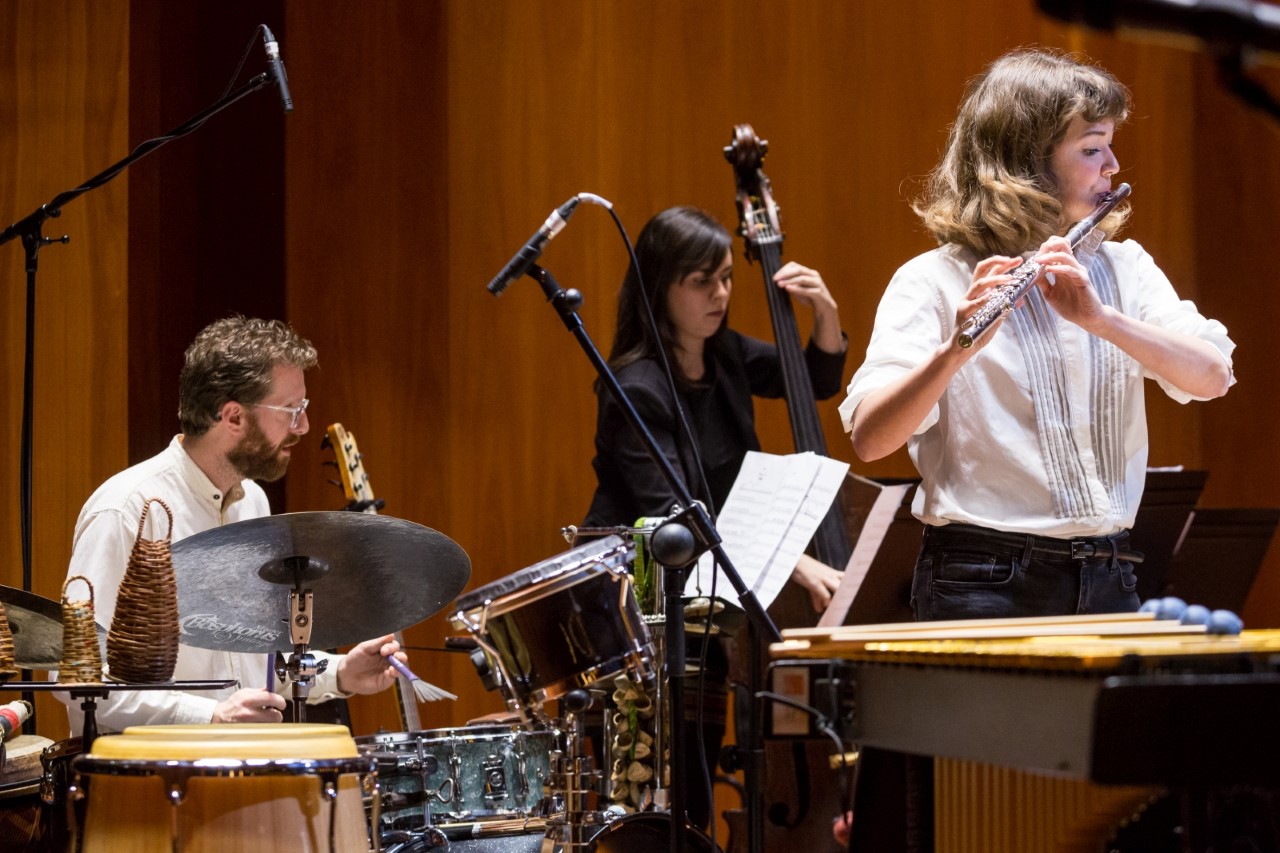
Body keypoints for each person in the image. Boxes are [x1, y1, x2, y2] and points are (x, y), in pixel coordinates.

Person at [838, 48, 1235, 849]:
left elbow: (1214, 373)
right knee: (976, 826)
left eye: (1109, 144)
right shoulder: (935, 281)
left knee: (1103, 828)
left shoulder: (1121, 270)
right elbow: (872, 434)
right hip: (983, 585)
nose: (1113, 164)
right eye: (1091, 147)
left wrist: (1100, 320)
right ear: (1024, 160)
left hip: (1108, 576)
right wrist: (954, 349)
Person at [582, 205, 849, 828]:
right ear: (660, 286)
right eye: (702, 281)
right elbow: (670, 517)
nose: (722, 293)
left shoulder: (724, 352)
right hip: (640, 606)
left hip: (705, 600)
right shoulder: (635, 386)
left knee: (697, 778)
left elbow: (812, 378)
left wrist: (825, 312)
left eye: (727, 277)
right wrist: (796, 560)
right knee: (660, 788)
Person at [56, 316, 407, 733]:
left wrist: (341, 673)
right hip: (147, 786)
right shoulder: (127, 510)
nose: (304, 427)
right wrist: (209, 716)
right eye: (292, 410)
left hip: (239, 773)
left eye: (304, 409)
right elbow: (78, 684)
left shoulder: (253, 503)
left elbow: (257, 665)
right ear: (233, 417)